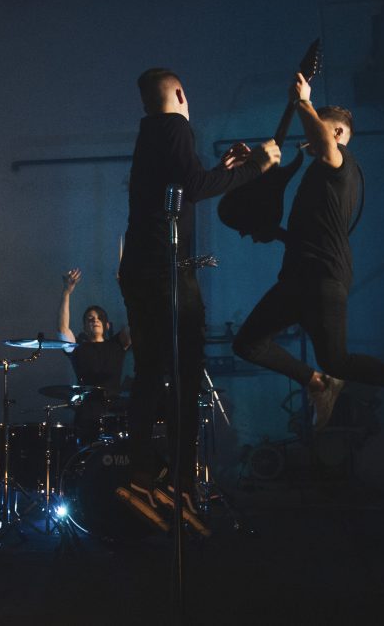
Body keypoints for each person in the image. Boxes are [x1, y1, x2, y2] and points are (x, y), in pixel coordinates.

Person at [231, 72, 384, 439]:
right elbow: (311, 229)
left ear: (339, 133)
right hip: (298, 275)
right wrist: (273, 232)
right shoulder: (319, 174)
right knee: (248, 344)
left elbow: (323, 142)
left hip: (322, 276)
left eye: (320, 128)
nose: (308, 139)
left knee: (338, 360)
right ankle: (319, 383)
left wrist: (303, 102)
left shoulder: (339, 161)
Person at [115, 67, 280, 534]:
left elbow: (185, 184)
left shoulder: (151, 132)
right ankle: (182, 485)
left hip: (141, 270)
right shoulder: (174, 126)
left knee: (150, 373)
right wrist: (256, 167)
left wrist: (224, 170)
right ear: (180, 93)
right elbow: (195, 188)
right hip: (166, 272)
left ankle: (142, 477)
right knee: (186, 376)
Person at [55, 267, 131, 443]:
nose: (95, 320)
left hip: (115, 412)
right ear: (84, 327)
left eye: (99, 318)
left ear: (107, 325)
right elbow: (62, 329)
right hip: (87, 414)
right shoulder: (78, 347)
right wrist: (66, 292)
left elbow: (135, 321)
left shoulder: (117, 344)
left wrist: (125, 289)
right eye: (90, 319)